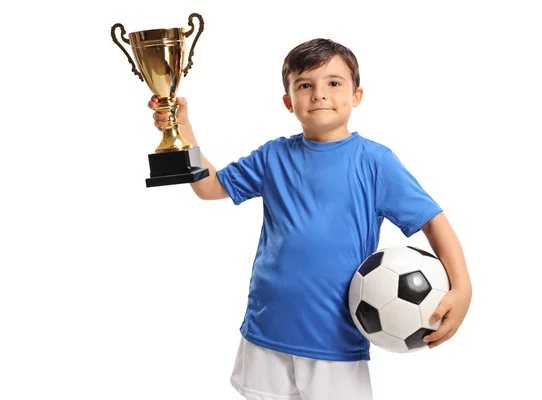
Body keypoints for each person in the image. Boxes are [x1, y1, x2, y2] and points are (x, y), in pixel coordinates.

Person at [149, 38, 472, 400]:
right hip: (267, 330)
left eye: (334, 83)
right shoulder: (273, 156)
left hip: (334, 340)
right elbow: (209, 188)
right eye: (305, 85)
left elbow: (433, 221)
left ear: (356, 95)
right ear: (289, 101)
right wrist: (181, 127)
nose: (320, 94)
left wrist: (462, 288)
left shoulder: (375, 162)